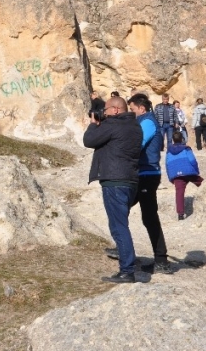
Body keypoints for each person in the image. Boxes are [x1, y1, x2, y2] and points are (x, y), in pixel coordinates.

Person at [83, 96, 142, 283]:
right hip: (131, 180)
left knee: (118, 227)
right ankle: (128, 265)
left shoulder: (113, 125)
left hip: (115, 181)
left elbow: (89, 140)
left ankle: (127, 271)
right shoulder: (134, 126)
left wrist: (94, 124)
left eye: (107, 110)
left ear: (116, 110)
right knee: (121, 224)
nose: (105, 113)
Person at [127, 94, 174, 275]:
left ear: (141, 108)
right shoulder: (145, 120)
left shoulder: (147, 122)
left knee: (149, 217)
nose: (133, 114)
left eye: (133, 110)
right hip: (143, 173)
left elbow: (137, 144)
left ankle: (161, 260)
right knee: (123, 207)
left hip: (147, 174)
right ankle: (125, 249)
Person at [165, 131, 204, 220]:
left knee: (179, 193)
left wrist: (171, 177)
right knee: (201, 183)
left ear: (173, 140)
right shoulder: (186, 149)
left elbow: (167, 165)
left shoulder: (168, 151)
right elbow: (192, 161)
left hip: (176, 175)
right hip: (188, 172)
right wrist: (196, 171)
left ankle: (180, 214)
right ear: (182, 139)